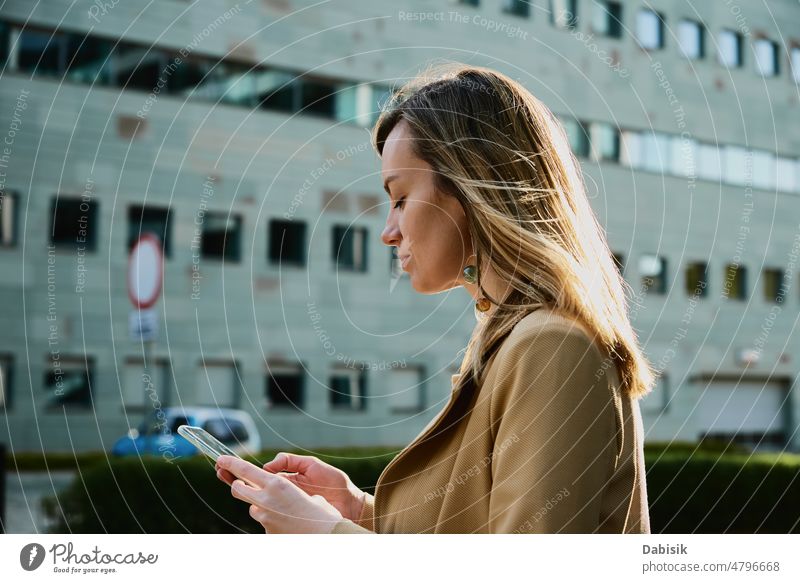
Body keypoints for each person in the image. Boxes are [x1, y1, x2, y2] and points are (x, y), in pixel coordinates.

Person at [216, 63, 655, 534]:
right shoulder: (511, 338)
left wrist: (328, 539)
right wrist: (358, 511)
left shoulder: (549, 345)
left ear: (469, 187)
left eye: (401, 199)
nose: (388, 232)